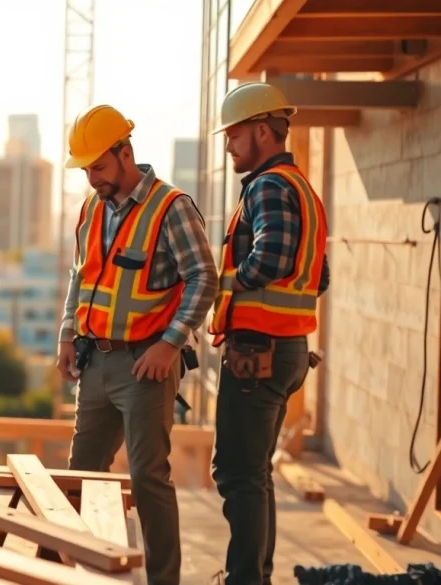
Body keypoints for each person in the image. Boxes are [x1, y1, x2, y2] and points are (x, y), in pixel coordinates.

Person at [56, 104, 218, 585]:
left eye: (99, 167)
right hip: (95, 362)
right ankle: (78, 573)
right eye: (85, 169)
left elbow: (203, 277)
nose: (92, 178)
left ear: (125, 152)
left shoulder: (171, 207)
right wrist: (68, 332)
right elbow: (80, 276)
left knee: (148, 480)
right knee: (82, 473)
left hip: (147, 366)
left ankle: (163, 581)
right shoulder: (91, 209)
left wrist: (170, 344)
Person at [207, 81, 330, 585]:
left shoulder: (267, 187)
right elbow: (317, 276)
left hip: (258, 352)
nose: (230, 146)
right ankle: (255, 576)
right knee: (256, 475)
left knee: (237, 474)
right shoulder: (303, 188)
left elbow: (272, 258)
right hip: (289, 349)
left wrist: (225, 284)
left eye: (235, 136)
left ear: (262, 130)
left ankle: (246, 581)